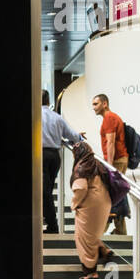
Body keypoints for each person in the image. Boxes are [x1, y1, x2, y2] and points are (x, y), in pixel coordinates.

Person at [70, 141, 114, 279]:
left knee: (83, 238)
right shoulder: (97, 164)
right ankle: (102, 251)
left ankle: (90, 271)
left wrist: (74, 203)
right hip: (104, 202)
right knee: (91, 236)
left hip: (90, 204)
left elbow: (81, 188)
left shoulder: (81, 166)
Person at [40, 90, 81, 235]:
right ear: (47, 101)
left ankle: (52, 226)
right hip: (55, 157)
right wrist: (79, 138)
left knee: (44, 193)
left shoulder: (34, 116)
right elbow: (73, 136)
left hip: (40, 156)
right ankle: (48, 221)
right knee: (47, 191)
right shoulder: (56, 117)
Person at [91, 92, 128, 235]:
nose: (93, 107)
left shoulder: (109, 118)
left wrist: (109, 166)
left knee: (106, 196)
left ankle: (100, 232)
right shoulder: (110, 118)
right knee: (115, 195)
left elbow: (111, 142)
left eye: (96, 104)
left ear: (104, 104)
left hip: (116, 161)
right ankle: (120, 230)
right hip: (118, 160)